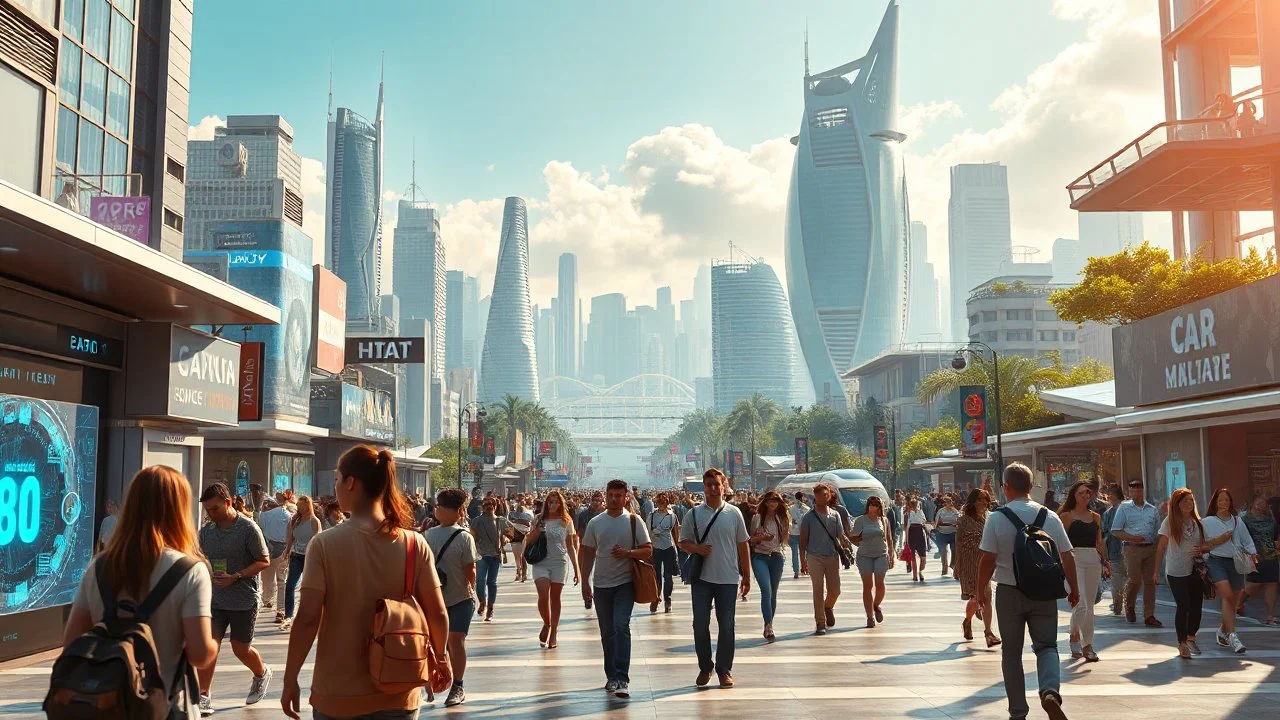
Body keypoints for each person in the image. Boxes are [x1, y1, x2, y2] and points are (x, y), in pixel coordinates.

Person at [281, 446, 452, 719]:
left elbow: (308, 619)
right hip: (399, 690)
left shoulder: (324, 545)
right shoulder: (413, 545)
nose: (335, 487)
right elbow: (438, 613)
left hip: (337, 695)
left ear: (351, 483)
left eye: (337, 479)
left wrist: (290, 679)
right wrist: (441, 659)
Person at [62, 467, 218, 718]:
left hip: (107, 706)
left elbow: (71, 643)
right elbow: (200, 655)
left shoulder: (99, 567)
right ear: (179, 510)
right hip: (162, 706)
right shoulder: (191, 571)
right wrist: (213, 643)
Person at [978, 463, 1078, 720]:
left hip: (1009, 593)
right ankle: (1049, 692)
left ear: (1005, 487)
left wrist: (980, 591)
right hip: (1044, 593)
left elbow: (987, 559)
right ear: (1032, 487)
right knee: (1047, 647)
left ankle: (1018, 712)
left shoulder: (997, 518)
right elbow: (1067, 556)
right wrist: (1074, 588)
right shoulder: (1050, 517)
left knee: (1011, 653)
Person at [196, 482, 272, 714]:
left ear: (228, 502)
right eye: (208, 510)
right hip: (215, 600)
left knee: (241, 649)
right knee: (210, 647)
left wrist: (236, 576)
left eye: (215, 508)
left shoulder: (248, 529)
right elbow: (198, 557)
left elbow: (264, 560)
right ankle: (203, 695)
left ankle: (261, 673)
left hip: (243, 600)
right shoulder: (207, 531)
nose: (211, 514)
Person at [579, 479, 652, 699]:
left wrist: (628, 553)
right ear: (606, 495)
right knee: (607, 632)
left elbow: (647, 550)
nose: (614, 499)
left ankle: (622, 677)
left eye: (619, 495)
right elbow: (588, 552)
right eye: (611, 495)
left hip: (625, 584)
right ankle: (611, 675)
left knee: (621, 626)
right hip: (601, 585)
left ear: (626, 497)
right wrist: (584, 581)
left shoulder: (633, 520)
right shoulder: (596, 523)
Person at [678, 469, 751, 687]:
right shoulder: (693, 514)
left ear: (724, 485)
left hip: (728, 578)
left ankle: (724, 669)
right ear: (703, 486)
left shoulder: (734, 513)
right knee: (700, 624)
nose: (712, 488)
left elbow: (743, 544)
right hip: (702, 578)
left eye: (716, 484)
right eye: (709, 484)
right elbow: (683, 542)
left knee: (727, 625)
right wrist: (697, 549)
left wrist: (746, 575)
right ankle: (705, 666)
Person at [426, 488, 480, 707]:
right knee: (436, 644)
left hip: (460, 598)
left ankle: (458, 686)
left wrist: (475, 593)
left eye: (442, 506)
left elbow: (471, 569)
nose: (437, 509)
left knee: (455, 640)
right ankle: (433, 682)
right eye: (437, 505)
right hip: (433, 599)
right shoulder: (428, 534)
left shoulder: (465, 537)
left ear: (457, 512)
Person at [1201, 488, 1259, 654]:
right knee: (1227, 596)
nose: (1224, 503)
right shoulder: (1207, 521)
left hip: (1236, 563)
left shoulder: (1237, 521)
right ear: (1215, 502)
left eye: (1227, 500)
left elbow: (1247, 540)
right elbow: (1202, 543)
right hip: (1216, 562)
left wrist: (1253, 554)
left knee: (1233, 600)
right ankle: (1233, 636)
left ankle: (1222, 631)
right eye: (1220, 500)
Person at [1058, 480, 1109, 663]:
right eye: (1081, 493)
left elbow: (1099, 543)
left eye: (1088, 492)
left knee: (1090, 606)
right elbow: (1060, 543)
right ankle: (1074, 635)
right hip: (1074, 559)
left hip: (1093, 559)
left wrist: (1106, 562)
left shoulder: (1095, 516)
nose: (1086, 496)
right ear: (1074, 495)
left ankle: (1087, 644)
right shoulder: (1066, 516)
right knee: (1081, 604)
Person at [1156, 488, 1209, 660]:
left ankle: (1191, 636)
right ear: (1177, 504)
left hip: (1195, 569)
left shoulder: (1198, 522)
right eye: (1185, 501)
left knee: (1196, 607)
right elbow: (1161, 547)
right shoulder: (1170, 522)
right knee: (1183, 605)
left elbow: (1205, 545)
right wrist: (1155, 571)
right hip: (1176, 571)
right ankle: (1182, 643)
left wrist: (1203, 552)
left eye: (1191, 501)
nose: (1188, 504)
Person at [526, 489, 581, 649]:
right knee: (543, 595)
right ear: (546, 503)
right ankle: (547, 623)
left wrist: (576, 568)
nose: (553, 505)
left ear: (561, 504)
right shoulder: (538, 519)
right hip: (541, 561)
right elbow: (529, 540)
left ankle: (554, 632)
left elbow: (570, 546)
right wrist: (537, 530)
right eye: (550, 502)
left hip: (559, 562)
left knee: (555, 598)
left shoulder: (566, 521)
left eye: (556, 502)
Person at [1111, 479, 1162, 626]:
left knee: (1150, 581)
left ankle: (1149, 615)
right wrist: (1133, 538)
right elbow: (1116, 530)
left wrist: (1156, 546)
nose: (1137, 493)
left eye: (1139, 490)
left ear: (1143, 491)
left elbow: (1158, 530)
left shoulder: (1152, 509)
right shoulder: (1124, 508)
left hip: (1149, 548)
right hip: (1131, 548)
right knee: (1135, 579)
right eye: (1133, 491)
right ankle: (1130, 604)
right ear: (1129, 492)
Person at [799, 483, 847, 635]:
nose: (823, 498)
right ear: (815, 497)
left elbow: (841, 535)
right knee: (818, 589)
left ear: (830, 495)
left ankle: (828, 607)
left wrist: (851, 543)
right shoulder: (808, 517)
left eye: (826, 495)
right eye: (820, 495)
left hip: (832, 556)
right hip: (814, 557)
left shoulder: (835, 514)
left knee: (835, 589)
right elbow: (803, 541)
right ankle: (820, 622)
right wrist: (803, 561)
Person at [955, 488, 999, 647]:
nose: (983, 503)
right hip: (968, 563)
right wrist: (957, 566)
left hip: (984, 562)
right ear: (973, 501)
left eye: (985, 500)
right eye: (980, 499)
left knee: (986, 596)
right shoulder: (964, 520)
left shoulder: (989, 519)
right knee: (975, 597)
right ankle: (968, 621)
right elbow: (958, 543)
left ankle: (988, 632)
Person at [748, 491, 789, 641]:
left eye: (776, 501)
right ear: (765, 502)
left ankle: (769, 623)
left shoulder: (782, 518)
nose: (773, 503)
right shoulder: (757, 518)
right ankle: (768, 626)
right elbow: (750, 540)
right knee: (766, 590)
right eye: (770, 501)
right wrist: (761, 538)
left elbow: (784, 539)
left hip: (776, 557)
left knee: (773, 593)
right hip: (760, 557)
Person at [850, 495, 895, 629]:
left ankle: (875, 605)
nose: (872, 506)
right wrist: (859, 542)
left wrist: (891, 554)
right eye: (870, 504)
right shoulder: (861, 520)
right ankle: (870, 617)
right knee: (867, 585)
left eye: (875, 504)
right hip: (865, 555)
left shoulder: (883, 520)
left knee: (880, 583)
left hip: (881, 554)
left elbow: (889, 538)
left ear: (879, 507)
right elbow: (852, 536)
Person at [280, 495, 322, 630]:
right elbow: (291, 538)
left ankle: (311, 615)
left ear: (307, 505)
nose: (299, 508)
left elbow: (317, 541)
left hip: (310, 557)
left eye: (301, 505)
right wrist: (287, 551)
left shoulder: (314, 521)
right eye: (298, 505)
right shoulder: (295, 520)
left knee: (309, 587)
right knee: (290, 585)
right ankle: (288, 615)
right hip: (296, 556)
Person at [1239, 495, 1279, 626]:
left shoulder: (1270, 520)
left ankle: (1270, 616)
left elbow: (1275, 536)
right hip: (1254, 556)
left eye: (1263, 502)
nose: (1261, 504)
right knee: (1252, 586)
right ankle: (1239, 604)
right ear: (1253, 503)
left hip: (1271, 556)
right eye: (1259, 502)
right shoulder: (1245, 520)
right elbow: (1241, 538)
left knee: (1272, 584)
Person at [471, 497, 510, 622]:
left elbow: (510, 534)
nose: (489, 506)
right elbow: (472, 537)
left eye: (492, 504)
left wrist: (506, 538)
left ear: (495, 506)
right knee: (480, 580)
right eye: (486, 504)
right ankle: (482, 601)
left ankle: (490, 608)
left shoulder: (500, 520)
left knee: (492, 582)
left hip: (495, 555)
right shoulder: (476, 521)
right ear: (482, 506)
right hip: (481, 554)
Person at [258, 495, 293, 623]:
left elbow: (259, 529)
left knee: (267, 577)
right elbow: (291, 533)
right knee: (281, 581)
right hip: (284, 550)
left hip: (267, 550)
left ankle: (267, 599)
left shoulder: (264, 515)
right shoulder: (288, 515)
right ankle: (281, 609)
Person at [648, 492, 680, 614]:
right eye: (659, 502)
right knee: (656, 577)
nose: (661, 505)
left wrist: (679, 548)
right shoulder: (651, 516)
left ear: (667, 503)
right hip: (655, 548)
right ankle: (655, 598)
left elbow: (676, 534)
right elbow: (648, 533)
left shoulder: (672, 516)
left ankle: (668, 600)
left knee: (668, 576)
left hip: (668, 548)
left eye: (663, 502)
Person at [1100, 484, 1128, 616]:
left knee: (1122, 578)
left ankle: (1121, 602)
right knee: (1120, 578)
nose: (1108, 496)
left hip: (1126, 549)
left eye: (1110, 493)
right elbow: (1104, 534)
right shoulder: (1108, 513)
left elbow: (1104, 533)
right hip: (1117, 550)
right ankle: (1120, 602)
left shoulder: (1124, 509)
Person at [509, 496, 535, 583]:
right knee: (523, 556)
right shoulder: (528, 517)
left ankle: (518, 572)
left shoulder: (511, 516)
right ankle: (524, 572)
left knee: (517, 557)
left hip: (515, 539)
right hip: (524, 538)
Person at [905, 497, 930, 582]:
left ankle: (920, 572)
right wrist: (906, 540)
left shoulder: (921, 512)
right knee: (913, 557)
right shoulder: (908, 513)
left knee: (923, 557)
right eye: (913, 505)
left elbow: (924, 520)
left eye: (916, 505)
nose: (915, 506)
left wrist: (918, 513)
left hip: (920, 533)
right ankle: (915, 575)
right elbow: (907, 527)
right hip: (912, 533)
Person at [934, 495, 960, 576]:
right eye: (945, 503)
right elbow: (937, 522)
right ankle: (944, 569)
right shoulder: (940, 511)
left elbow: (959, 522)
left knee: (954, 551)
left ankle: (953, 565)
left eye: (948, 502)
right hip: (942, 534)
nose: (946, 504)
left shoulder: (955, 512)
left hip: (953, 533)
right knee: (943, 552)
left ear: (951, 503)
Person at [788, 491, 809, 579]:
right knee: (806, 552)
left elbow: (788, 520)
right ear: (802, 497)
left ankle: (796, 571)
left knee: (794, 553)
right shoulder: (807, 508)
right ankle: (806, 568)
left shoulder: (790, 508)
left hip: (793, 532)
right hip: (804, 533)